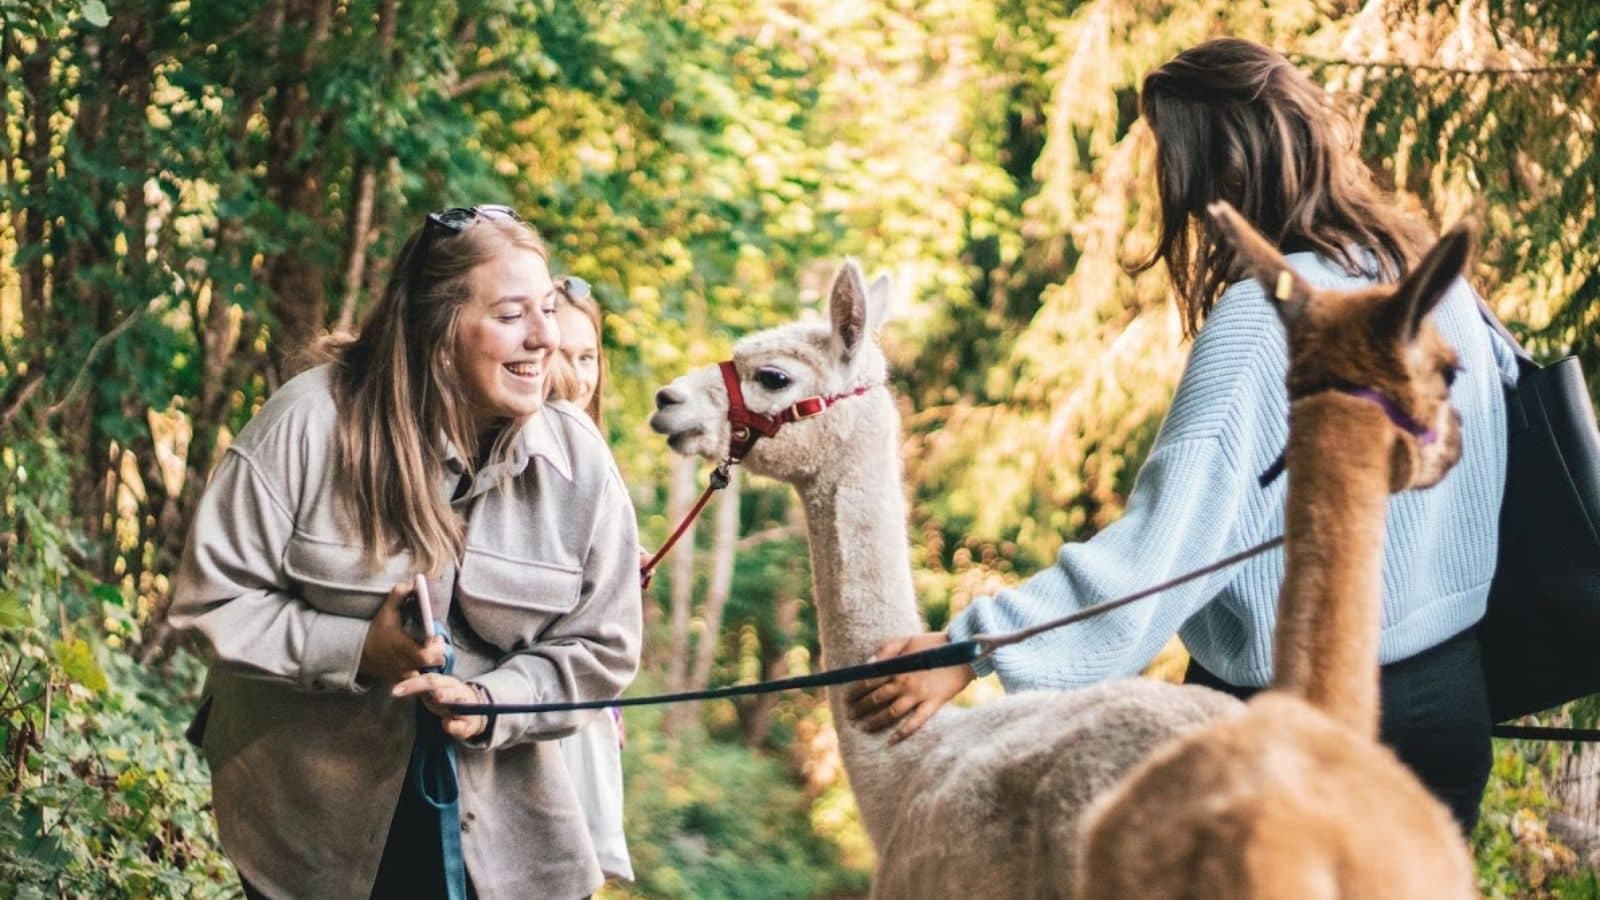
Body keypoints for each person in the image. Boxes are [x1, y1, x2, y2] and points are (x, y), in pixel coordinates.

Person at [847, 37, 1517, 834]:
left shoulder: (1271, 319)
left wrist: (974, 649)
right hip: (1450, 707)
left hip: (1296, 722)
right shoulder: (1426, 276)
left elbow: (1163, 546)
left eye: (1169, 159)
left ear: (1214, 172)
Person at [169, 204, 643, 900]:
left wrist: (494, 701)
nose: (546, 337)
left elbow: (602, 646)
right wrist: (359, 649)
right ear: (439, 331)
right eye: (512, 315)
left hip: (504, 837)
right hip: (308, 829)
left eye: (547, 308)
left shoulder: (581, 462)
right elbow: (212, 602)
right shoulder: (307, 423)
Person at [547, 275, 635, 885]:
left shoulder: (592, 454)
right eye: (561, 353)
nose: (579, 377)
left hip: (581, 704)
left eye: (588, 357)